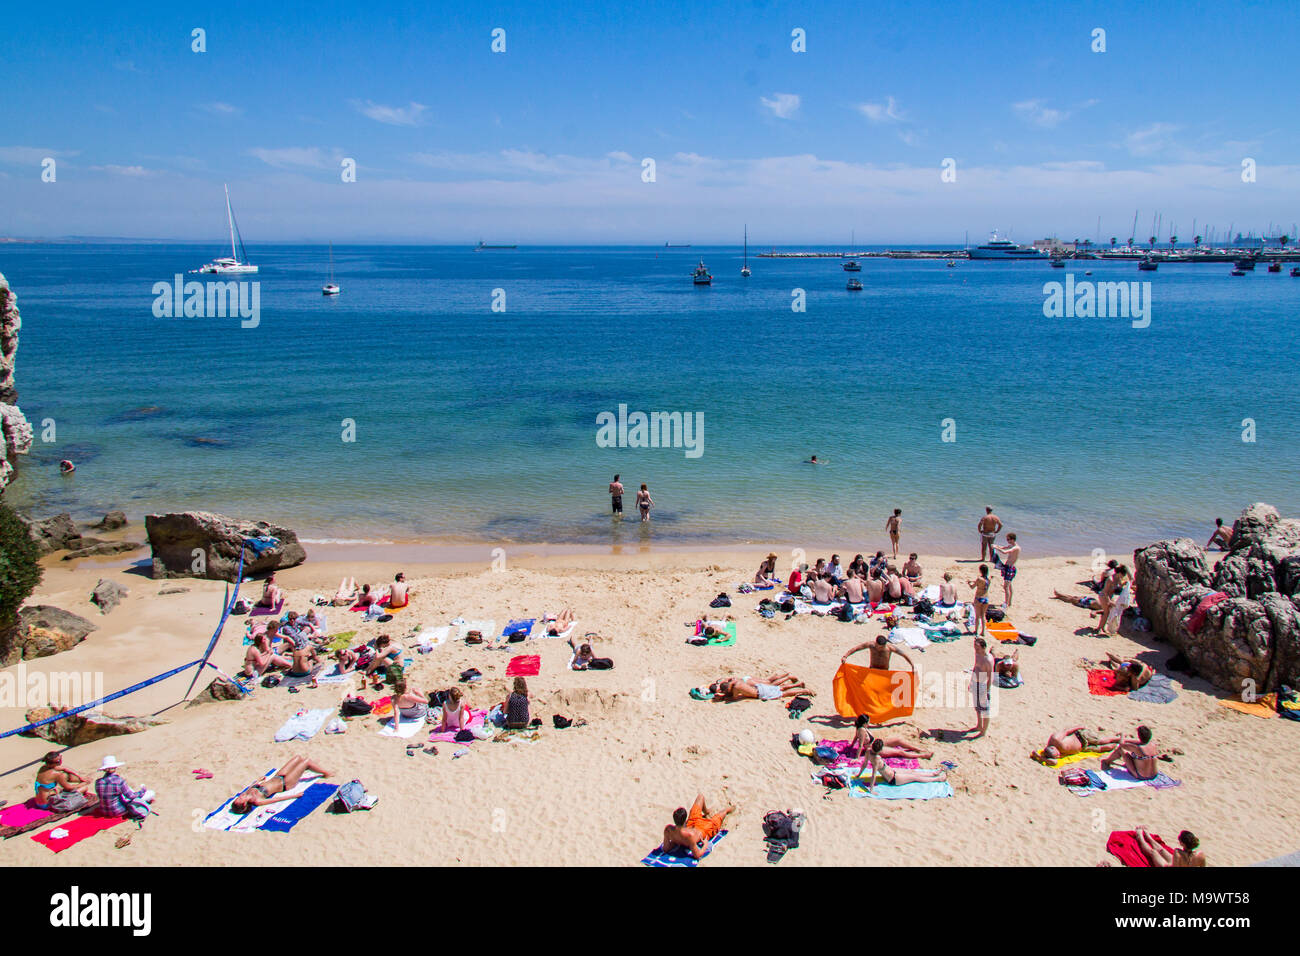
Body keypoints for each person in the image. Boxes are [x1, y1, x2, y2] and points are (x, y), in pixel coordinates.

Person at [229, 755, 333, 814]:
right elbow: (277, 799)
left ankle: (316, 768)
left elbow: (254, 785)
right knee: (306, 762)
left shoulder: (247, 793)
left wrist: (259, 780)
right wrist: (295, 795)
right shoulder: (256, 801)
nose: (240, 796)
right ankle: (327, 773)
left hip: (278, 776)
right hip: (286, 783)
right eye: (240, 799)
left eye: (238, 798)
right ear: (244, 805)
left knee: (298, 758)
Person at [662, 794, 734, 859]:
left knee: (700, 797)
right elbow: (697, 855)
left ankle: (707, 812)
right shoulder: (689, 835)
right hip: (704, 830)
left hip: (691, 824)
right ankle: (732, 808)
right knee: (722, 814)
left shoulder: (668, 829)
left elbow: (666, 848)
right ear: (685, 820)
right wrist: (705, 844)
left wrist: (676, 841)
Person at [857, 739, 948, 789]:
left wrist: (858, 775)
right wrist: (871, 789)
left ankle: (933, 773)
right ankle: (938, 779)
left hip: (891, 771)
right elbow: (873, 774)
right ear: (880, 750)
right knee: (915, 777)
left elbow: (864, 764)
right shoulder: (876, 759)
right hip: (893, 779)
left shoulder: (868, 751)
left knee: (912, 772)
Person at [847, 715, 932, 760]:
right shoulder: (861, 730)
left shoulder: (860, 728)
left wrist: (851, 746)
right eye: (868, 722)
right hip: (874, 748)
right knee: (900, 752)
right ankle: (924, 755)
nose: (869, 723)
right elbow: (860, 745)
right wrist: (857, 758)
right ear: (864, 723)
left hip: (876, 742)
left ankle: (918, 749)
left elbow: (855, 737)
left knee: (898, 740)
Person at [1034, 726, 1122, 762]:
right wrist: (1041, 757)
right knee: (1107, 748)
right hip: (1083, 748)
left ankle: (1123, 738)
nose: (1059, 756)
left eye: (1057, 754)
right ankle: (1120, 744)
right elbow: (1053, 762)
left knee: (1105, 741)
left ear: (1053, 749)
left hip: (1082, 736)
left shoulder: (1055, 739)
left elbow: (1067, 731)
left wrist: (1079, 726)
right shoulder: (1052, 753)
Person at [1135, 827, 1205, 867]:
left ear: (1182, 844)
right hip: (1176, 864)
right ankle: (1149, 837)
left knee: (1153, 852)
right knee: (1162, 850)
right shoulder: (1201, 854)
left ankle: (1140, 836)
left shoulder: (1178, 852)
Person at [709, 674, 810, 702]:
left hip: (760, 693)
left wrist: (723, 698)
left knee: (783, 693)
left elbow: (734, 698)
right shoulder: (735, 681)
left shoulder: (736, 688)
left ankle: (804, 690)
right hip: (758, 687)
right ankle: (797, 685)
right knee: (779, 687)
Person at [841, 634, 914, 671]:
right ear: (876, 643)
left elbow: (904, 655)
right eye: (879, 647)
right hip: (872, 669)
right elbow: (856, 648)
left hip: (884, 671)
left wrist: (912, 665)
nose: (881, 648)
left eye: (883, 647)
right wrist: (845, 656)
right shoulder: (871, 645)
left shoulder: (889, 648)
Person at [969, 637, 994, 739]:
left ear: (984, 648)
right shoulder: (977, 654)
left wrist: (986, 690)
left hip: (983, 684)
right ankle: (979, 725)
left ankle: (984, 731)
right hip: (976, 681)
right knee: (977, 707)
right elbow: (975, 667)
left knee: (985, 709)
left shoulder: (988, 660)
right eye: (975, 647)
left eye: (978, 648)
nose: (976, 650)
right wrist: (971, 681)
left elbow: (990, 677)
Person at [1099, 565, 1132, 635]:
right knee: (1106, 612)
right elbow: (1105, 591)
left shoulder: (1118, 579)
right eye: (1122, 575)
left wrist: (1126, 584)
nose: (1123, 576)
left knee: (1108, 613)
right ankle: (1099, 628)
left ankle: (1102, 627)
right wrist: (1109, 601)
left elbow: (1120, 585)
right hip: (1103, 596)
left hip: (1110, 596)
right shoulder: (1110, 579)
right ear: (1119, 573)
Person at [992, 533, 1020, 607]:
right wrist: (996, 546)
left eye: (1008, 539)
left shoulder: (1016, 548)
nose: (1007, 541)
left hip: (1010, 568)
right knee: (1009, 586)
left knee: (1006, 587)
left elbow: (1004, 552)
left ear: (1012, 539)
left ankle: (1006, 603)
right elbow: (1004, 547)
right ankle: (1009, 602)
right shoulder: (1011, 546)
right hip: (1007, 567)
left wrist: (997, 548)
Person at [969, 565, 990, 637]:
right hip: (986, 598)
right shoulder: (988, 579)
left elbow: (972, 587)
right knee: (983, 615)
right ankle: (983, 631)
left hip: (979, 598)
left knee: (977, 616)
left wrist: (969, 583)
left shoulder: (979, 579)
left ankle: (976, 631)